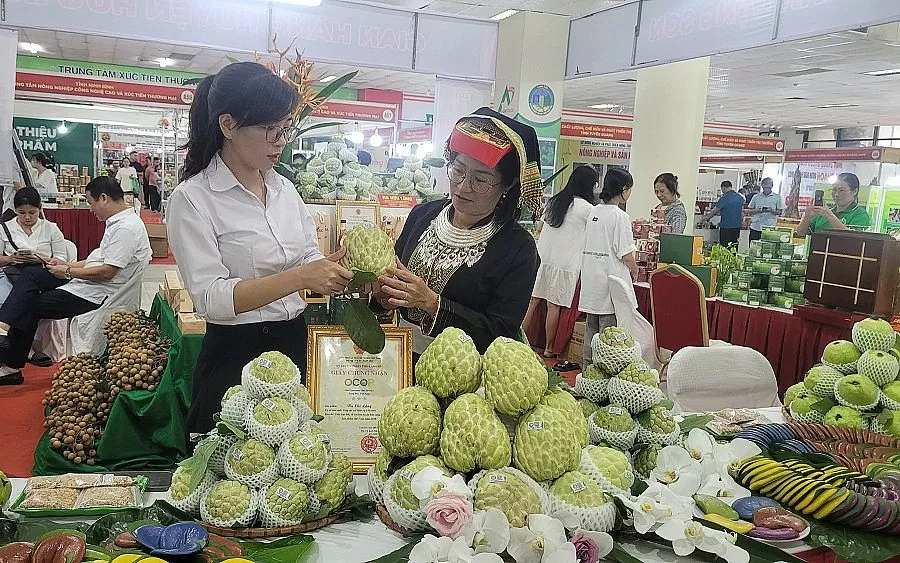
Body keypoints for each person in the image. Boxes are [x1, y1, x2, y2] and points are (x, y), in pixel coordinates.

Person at [167, 62, 354, 436]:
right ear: (228, 125)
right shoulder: (194, 199)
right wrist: (301, 277)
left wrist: (329, 268)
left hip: (293, 344)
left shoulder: (284, 189)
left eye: (285, 130)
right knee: (231, 472)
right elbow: (212, 299)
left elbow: (304, 254)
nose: (280, 142)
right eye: (270, 130)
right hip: (235, 355)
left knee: (297, 466)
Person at [373, 107, 541, 356]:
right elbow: (393, 281)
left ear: (508, 184)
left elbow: (501, 332)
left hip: (464, 373)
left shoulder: (518, 249)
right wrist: (383, 298)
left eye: (481, 180)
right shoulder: (423, 215)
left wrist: (432, 303)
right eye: (458, 170)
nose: (464, 186)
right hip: (400, 358)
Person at [0, 177, 150, 385]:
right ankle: (3, 328)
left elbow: (107, 272)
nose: (90, 209)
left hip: (96, 292)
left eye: (90, 202)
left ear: (104, 198)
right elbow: (94, 260)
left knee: (30, 304)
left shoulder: (126, 228)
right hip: (85, 280)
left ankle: (11, 364)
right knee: (31, 274)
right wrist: (64, 265)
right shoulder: (118, 223)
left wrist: (68, 272)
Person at [524, 165, 598, 358]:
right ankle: (549, 348)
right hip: (565, 263)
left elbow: (540, 226)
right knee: (553, 306)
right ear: (590, 185)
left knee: (532, 301)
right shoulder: (588, 209)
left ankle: (520, 340)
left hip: (542, 259)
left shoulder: (556, 200)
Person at [579, 167, 638, 367]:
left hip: (590, 279)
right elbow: (626, 254)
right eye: (629, 189)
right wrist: (635, 269)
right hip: (610, 282)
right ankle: (602, 377)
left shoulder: (593, 211)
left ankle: (587, 372)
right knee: (608, 334)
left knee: (591, 330)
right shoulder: (620, 217)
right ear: (623, 189)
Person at [798, 172, 871, 235]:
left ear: (854, 191)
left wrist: (829, 215)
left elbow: (851, 238)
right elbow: (801, 233)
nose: (836, 194)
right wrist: (807, 217)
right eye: (834, 190)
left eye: (841, 190)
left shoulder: (860, 215)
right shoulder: (822, 212)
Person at [704, 180, 745, 247]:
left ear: (723, 188)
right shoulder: (740, 198)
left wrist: (705, 218)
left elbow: (714, 211)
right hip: (737, 226)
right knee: (733, 247)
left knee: (725, 247)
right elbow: (741, 212)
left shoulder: (724, 198)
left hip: (726, 227)